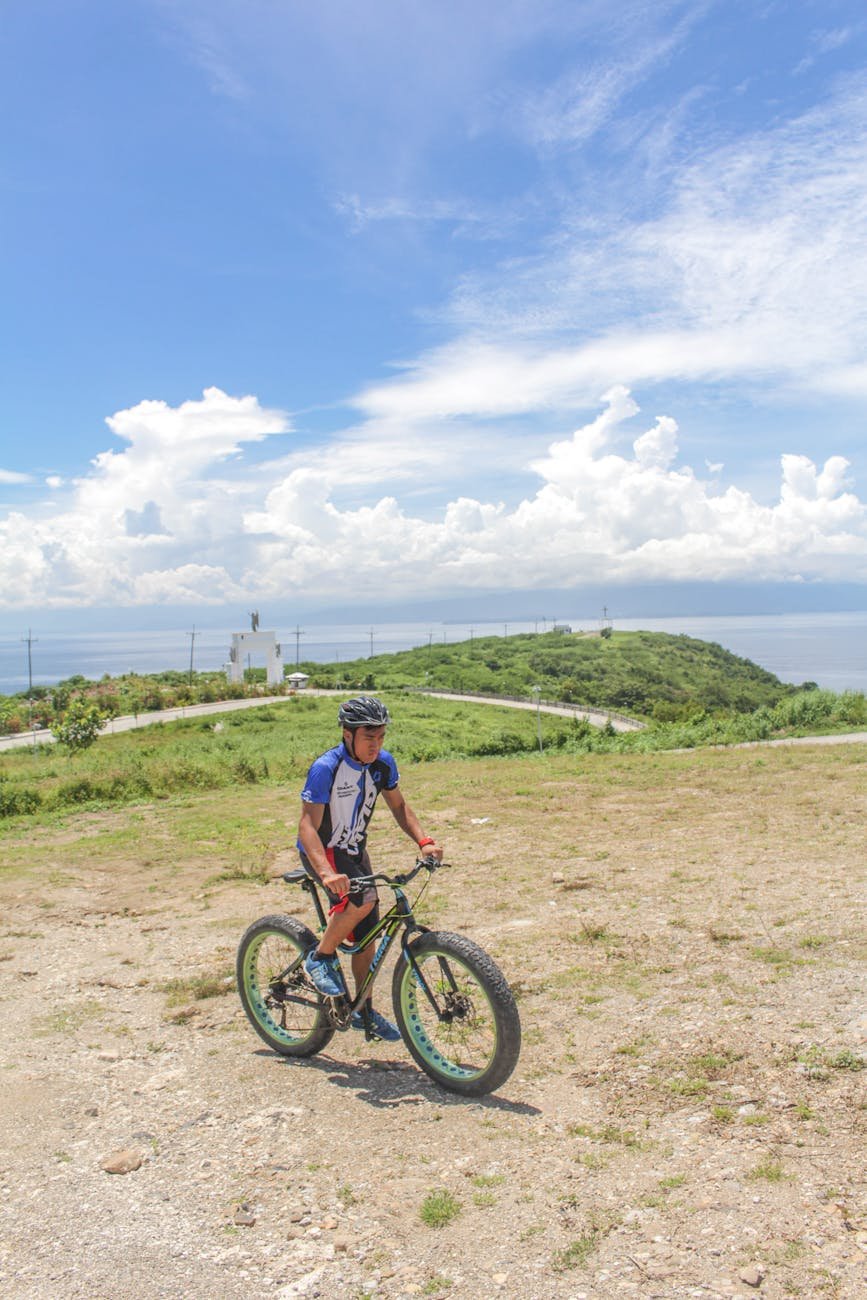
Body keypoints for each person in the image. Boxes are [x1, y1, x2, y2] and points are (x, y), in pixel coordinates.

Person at [297, 696, 443, 1042]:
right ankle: (319, 957)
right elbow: (307, 826)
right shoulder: (325, 768)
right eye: (369, 737)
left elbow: (400, 806)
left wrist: (424, 841)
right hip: (323, 851)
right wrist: (326, 872)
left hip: (354, 852)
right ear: (348, 734)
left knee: (367, 940)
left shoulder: (382, 765)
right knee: (360, 901)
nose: (376, 745)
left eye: (380, 737)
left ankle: (362, 1012)